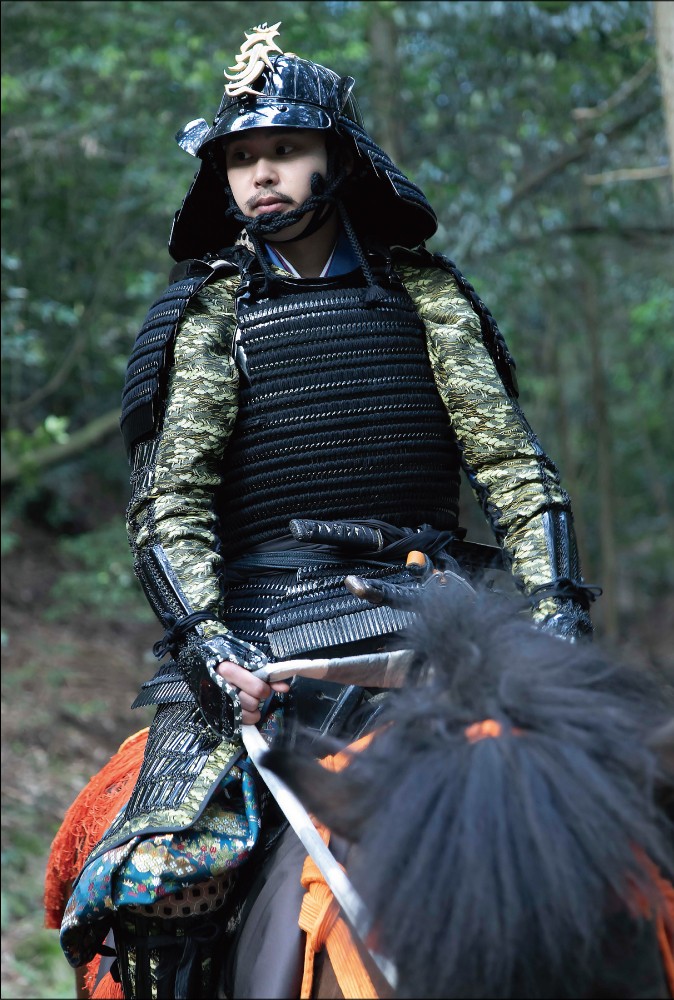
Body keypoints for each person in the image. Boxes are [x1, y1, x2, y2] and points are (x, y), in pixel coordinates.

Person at [47, 21, 599, 999]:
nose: (260, 175)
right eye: (240, 158)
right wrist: (207, 644)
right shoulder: (210, 312)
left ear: (336, 160)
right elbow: (170, 504)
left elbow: (513, 467)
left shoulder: (429, 298)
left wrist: (555, 607)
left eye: (284, 149)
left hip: (448, 616)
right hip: (265, 630)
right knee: (158, 881)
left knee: (612, 801)